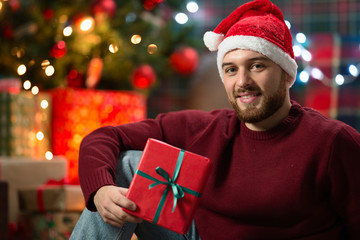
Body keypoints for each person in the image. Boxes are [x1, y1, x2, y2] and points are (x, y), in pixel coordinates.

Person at [70, 0, 360, 239]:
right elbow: (103, 138)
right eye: (231, 70)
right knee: (128, 163)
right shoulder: (206, 129)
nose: (242, 81)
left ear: (286, 74)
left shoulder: (333, 142)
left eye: (257, 66)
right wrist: (100, 191)